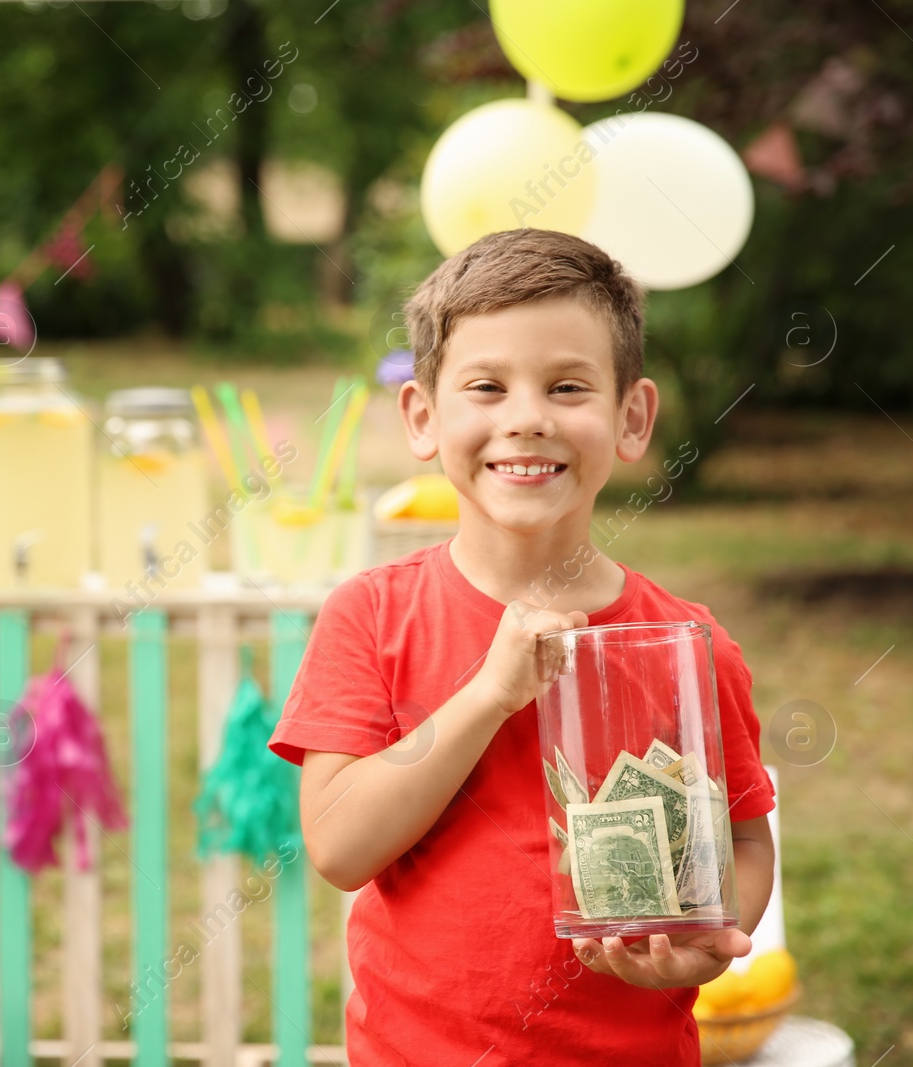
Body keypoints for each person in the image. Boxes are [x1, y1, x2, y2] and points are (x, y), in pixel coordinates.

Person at [267, 229, 776, 1065]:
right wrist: (488, 695)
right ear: (424, 417)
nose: (529, 418)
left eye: (568, 385)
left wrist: (711, 934)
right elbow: (338, 844)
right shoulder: (371, 614)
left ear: (632, 417)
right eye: (487, 387)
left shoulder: (689, 647)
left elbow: (746, 843)